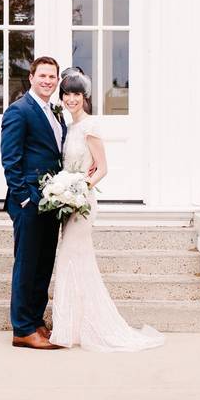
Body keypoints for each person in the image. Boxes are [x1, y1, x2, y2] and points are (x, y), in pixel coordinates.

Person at [50, 69, 165, 352]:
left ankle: (79, 328)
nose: (71, 99)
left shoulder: (90, 126)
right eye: (67, 93)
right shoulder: (69, 126)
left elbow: (102, 168)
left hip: (82, 203)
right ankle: (72, 326)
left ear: (84, 96)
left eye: (76, 94)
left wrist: (78, 189)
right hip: (68, 202)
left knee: (70, 260)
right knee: (72, 262)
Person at [0, 56, 67, 350]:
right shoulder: (19, 111)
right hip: (29, 199)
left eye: (52, 77)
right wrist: (24, 197)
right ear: (31, 77)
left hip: (51, 201)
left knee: (43, 263)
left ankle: (36, 320)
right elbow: (10, 159)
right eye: (42, 76)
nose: (48, 81)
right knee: (27, 264)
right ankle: (22, 328)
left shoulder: (54, 112)